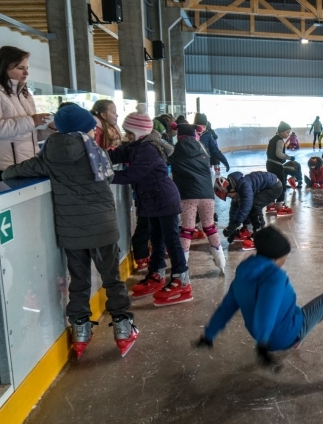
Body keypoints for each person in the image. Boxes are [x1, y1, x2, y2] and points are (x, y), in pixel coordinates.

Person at [2, 104, 139, 358]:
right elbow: (108, 178)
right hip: (103, 228)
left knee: (79, 281)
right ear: (84, 127)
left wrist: (6, 171)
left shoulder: (50, 153)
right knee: (112, 279)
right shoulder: (96, 151)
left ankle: (81, 330)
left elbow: (16, 171)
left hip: (72, 232)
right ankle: (122, 327)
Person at [195, 226, 323, 382]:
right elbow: (267, 308)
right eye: (284, 257)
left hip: (268, 335)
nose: (285, 261)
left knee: (297, 307)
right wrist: (262, 345)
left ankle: (292, 339)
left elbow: (227, 307)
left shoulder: (243, 275)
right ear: (275, 257)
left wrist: (209, 334)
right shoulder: (274, 276)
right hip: (283, 335)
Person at [109, 112, 192, 307]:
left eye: (129, 133)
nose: (126, 137)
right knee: (156, 238)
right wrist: (99, 155)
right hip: (152, 199)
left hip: (163, 198)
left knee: (171, 239)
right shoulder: (139, 145)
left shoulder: (148, 149)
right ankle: (157, 273)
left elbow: (133, 174)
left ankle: (182, 280)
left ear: (138, 132)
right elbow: (120, 153)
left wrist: (105, 174)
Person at [0, 45, 53, 184]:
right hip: (0, 168)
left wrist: (48, 128)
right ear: (4, 67)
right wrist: (31, 121)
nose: (26, 73)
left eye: (27, 68)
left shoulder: (24, 94)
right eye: (20, 68)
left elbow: (30, 133)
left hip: (25, 165)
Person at [168, 123, 226, 274]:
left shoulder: (175, 153)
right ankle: (221, 260)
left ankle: (182, 265)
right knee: (210, 227)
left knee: (187, 229)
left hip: (187, 196)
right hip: (207, 195)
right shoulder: (203, 152)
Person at [214, 171, 283, 251]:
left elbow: (246, 207)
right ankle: (247, 229)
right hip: (267, 186)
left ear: (230, 189)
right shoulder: (236, 188)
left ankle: (259, 235)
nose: (230, 197)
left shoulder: (244, 186)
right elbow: (234, 211)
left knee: (254, 205)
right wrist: (231, 227)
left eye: (228, 195)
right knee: (242, 204)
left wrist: (235, 224)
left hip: (275, 187)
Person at [265, 121, 295, 216]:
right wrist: (289, 157)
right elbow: (278, 153)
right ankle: (280, 205)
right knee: (281, 185)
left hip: (270, 164)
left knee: (272, 184)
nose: (288, 134)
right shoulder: (280, 140)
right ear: (281, 131)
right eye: (287, 132)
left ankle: (270, 204)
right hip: (276, 166)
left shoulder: (273, 139)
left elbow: (268, 152)